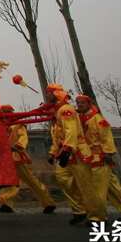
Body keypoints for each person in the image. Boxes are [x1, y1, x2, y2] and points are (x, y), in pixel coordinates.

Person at [46, 84, 106, 225]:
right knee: (62, 178)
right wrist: (53, 152)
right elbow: (57, 136)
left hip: (76, 152)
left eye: (48, 93)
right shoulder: (57, 112)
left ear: (56, 94)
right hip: (65, 153)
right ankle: (79, 211)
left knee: (86, 185)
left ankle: (97, 217)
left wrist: (67, 149)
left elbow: (71, 130)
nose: (47, 95)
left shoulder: (66, 109)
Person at [76, 94, 121, 222]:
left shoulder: (98, 119)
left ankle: (97, 217)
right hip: (92, 158)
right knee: (114, 188)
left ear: (89, 104)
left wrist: (108, 154)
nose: (79, 105)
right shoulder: (82, 119)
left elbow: (107, 137)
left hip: (100, 158)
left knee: (97, 189)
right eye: (78, 103)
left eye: (82, 103)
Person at [0, 105, 56, 214]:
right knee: (9, 181)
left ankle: (48, 202)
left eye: (5, 112)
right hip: (6, 159)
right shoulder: (0, 125)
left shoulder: (18, 125)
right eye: (3, 112)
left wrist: (18, 146)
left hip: (18, 157)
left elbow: (23, 137)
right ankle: (5, 203)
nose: (4, 114)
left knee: (31, 181)